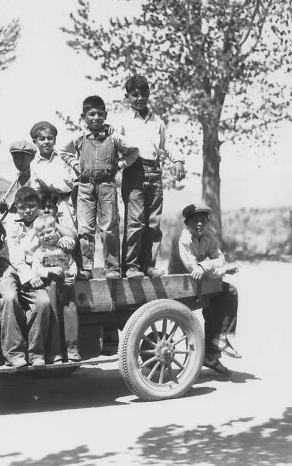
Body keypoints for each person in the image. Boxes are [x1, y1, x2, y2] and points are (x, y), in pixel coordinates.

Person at [60, 95, 139, 280]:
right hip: (85, 186)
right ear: (83, 116)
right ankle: (86, 268)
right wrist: (75, 165)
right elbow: (63, 151)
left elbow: (133, 152)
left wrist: (119, 165)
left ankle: (112, 268)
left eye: (100, 114)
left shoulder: (114, 137)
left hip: (107, 185)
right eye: (91, 114)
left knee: (109, 226)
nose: (96, 118)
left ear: (106, 115)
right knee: (85, 228)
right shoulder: (79, 137)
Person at [0, 187, 76, 367]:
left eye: (31, 206)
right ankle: (14, 352)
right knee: (9, 298)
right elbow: (16, 255)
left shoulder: (43, 222)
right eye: (22, 207)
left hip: (33, 269)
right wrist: (29, 276)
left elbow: (70, 236)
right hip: (10, 266)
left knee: (43, 302)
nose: (27, 211)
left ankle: (36, 353)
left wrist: (64, 239)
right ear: (16, 207)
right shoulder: (11, 223)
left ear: (38, 206)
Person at [117, 75, 185, 278]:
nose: (139, 98)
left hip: (154, 171)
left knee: (153, 222)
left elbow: (167, 144)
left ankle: (148, 265)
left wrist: (178, 160)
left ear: (149, 94)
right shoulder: (122, 121)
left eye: (143, 94)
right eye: (134, 95)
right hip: (134, 171)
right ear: (127, 96)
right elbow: (115, 145)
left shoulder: (157, 121)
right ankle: (130, 266)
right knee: (135, 221)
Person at [168, 203, 241, 375]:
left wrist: (206, 266)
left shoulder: (208, 235)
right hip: (180, 287)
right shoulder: (183, 238)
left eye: (203, 220)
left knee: (229, 293)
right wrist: (218, 270)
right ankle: (208, 352)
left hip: (200, 283)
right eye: (195, 220)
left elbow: (219, 259)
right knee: (215, 296)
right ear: (187, 223)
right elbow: (193, 270)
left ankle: (217, 346)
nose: (200, 224)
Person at [31, 214, 81, 362]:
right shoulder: (40, 253)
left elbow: (72, 264)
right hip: (51, 290)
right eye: (41, 234)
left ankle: (72, 350)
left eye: (49, 232)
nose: (46, 236)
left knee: (70, 318)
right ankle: (55, 352)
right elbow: (36, 269)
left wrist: (72, 275)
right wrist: (48, 271)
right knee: (54, 321)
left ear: (56, 230)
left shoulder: (63, 248)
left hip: (66, 290)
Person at [28, 121, 77, 226]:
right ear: (35, 141)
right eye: (41, 139)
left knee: (71, 231)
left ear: (55, 140)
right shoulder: (34, 164)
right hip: (48, 205)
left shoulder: (64, 157)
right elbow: (35, 188)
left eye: (50, 138)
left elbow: (75, 180)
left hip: (68, 202)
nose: (46, 142)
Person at [0, 139, 37, 216]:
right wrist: (7, 207)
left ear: (32, 157)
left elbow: (34, 206)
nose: (18, 162)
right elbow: (23, 206)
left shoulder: (36, 177)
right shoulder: (19, 177)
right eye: (15, 158)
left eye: (22, 158)